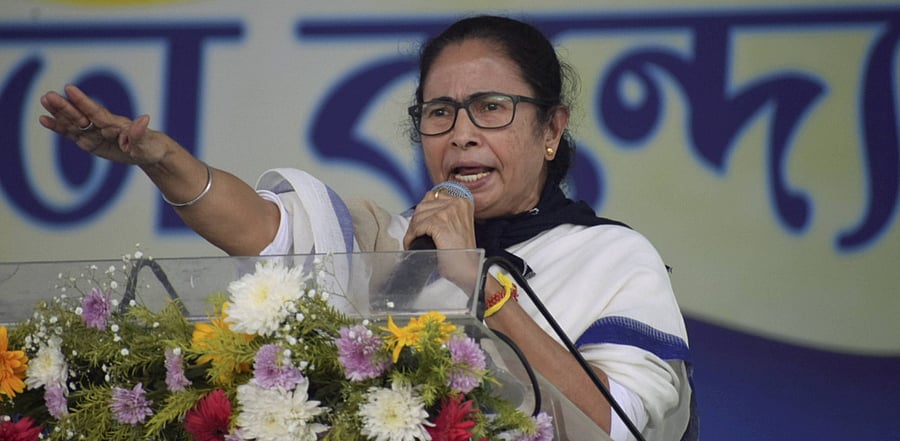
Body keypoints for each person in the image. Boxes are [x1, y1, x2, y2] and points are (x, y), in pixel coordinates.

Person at [38, 15, 696, 441]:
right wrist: (161, 159)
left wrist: (484, 287)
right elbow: (266, 230)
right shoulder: (389, 245)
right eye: (439, 112)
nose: (461, 133)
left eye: (491, 108)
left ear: (551, 129)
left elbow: (622, 425)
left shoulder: (612, 257)